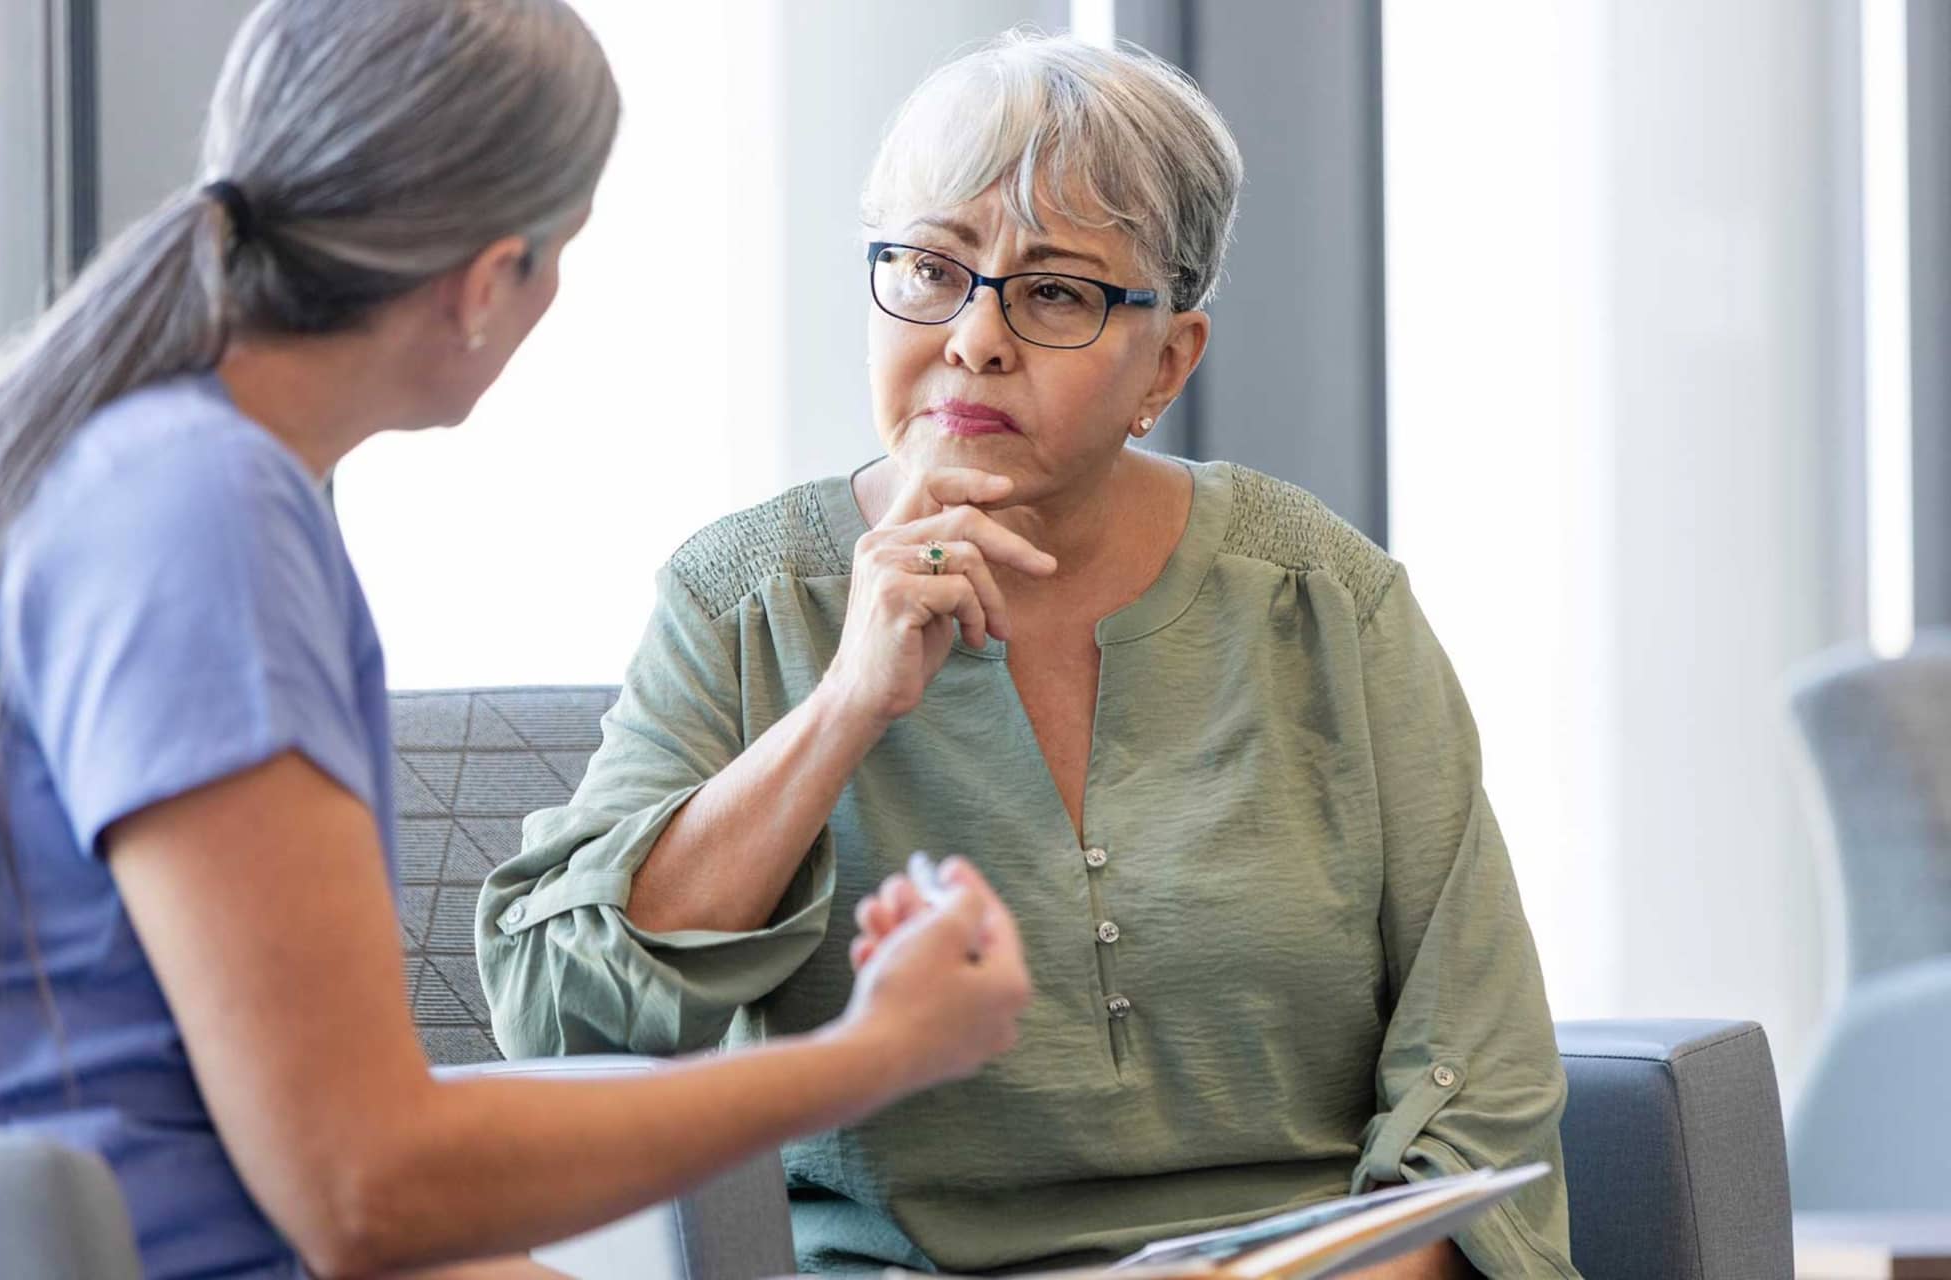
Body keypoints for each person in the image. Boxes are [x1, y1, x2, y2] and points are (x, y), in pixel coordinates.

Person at [0, 4, 1030, 1278]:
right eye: (564, 258)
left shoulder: (123, 470)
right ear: (491, 278)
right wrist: (873, 1053)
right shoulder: (206, 515)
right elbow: (368, 1186)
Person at [480, 31, 1578, 1279]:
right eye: (930, 268)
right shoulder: (741, 597)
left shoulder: (1325, 598)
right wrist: (845, 701)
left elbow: (1482, 1069)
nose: (973, 337)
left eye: (1053, 291)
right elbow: (558, 1021)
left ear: (1168, 358)